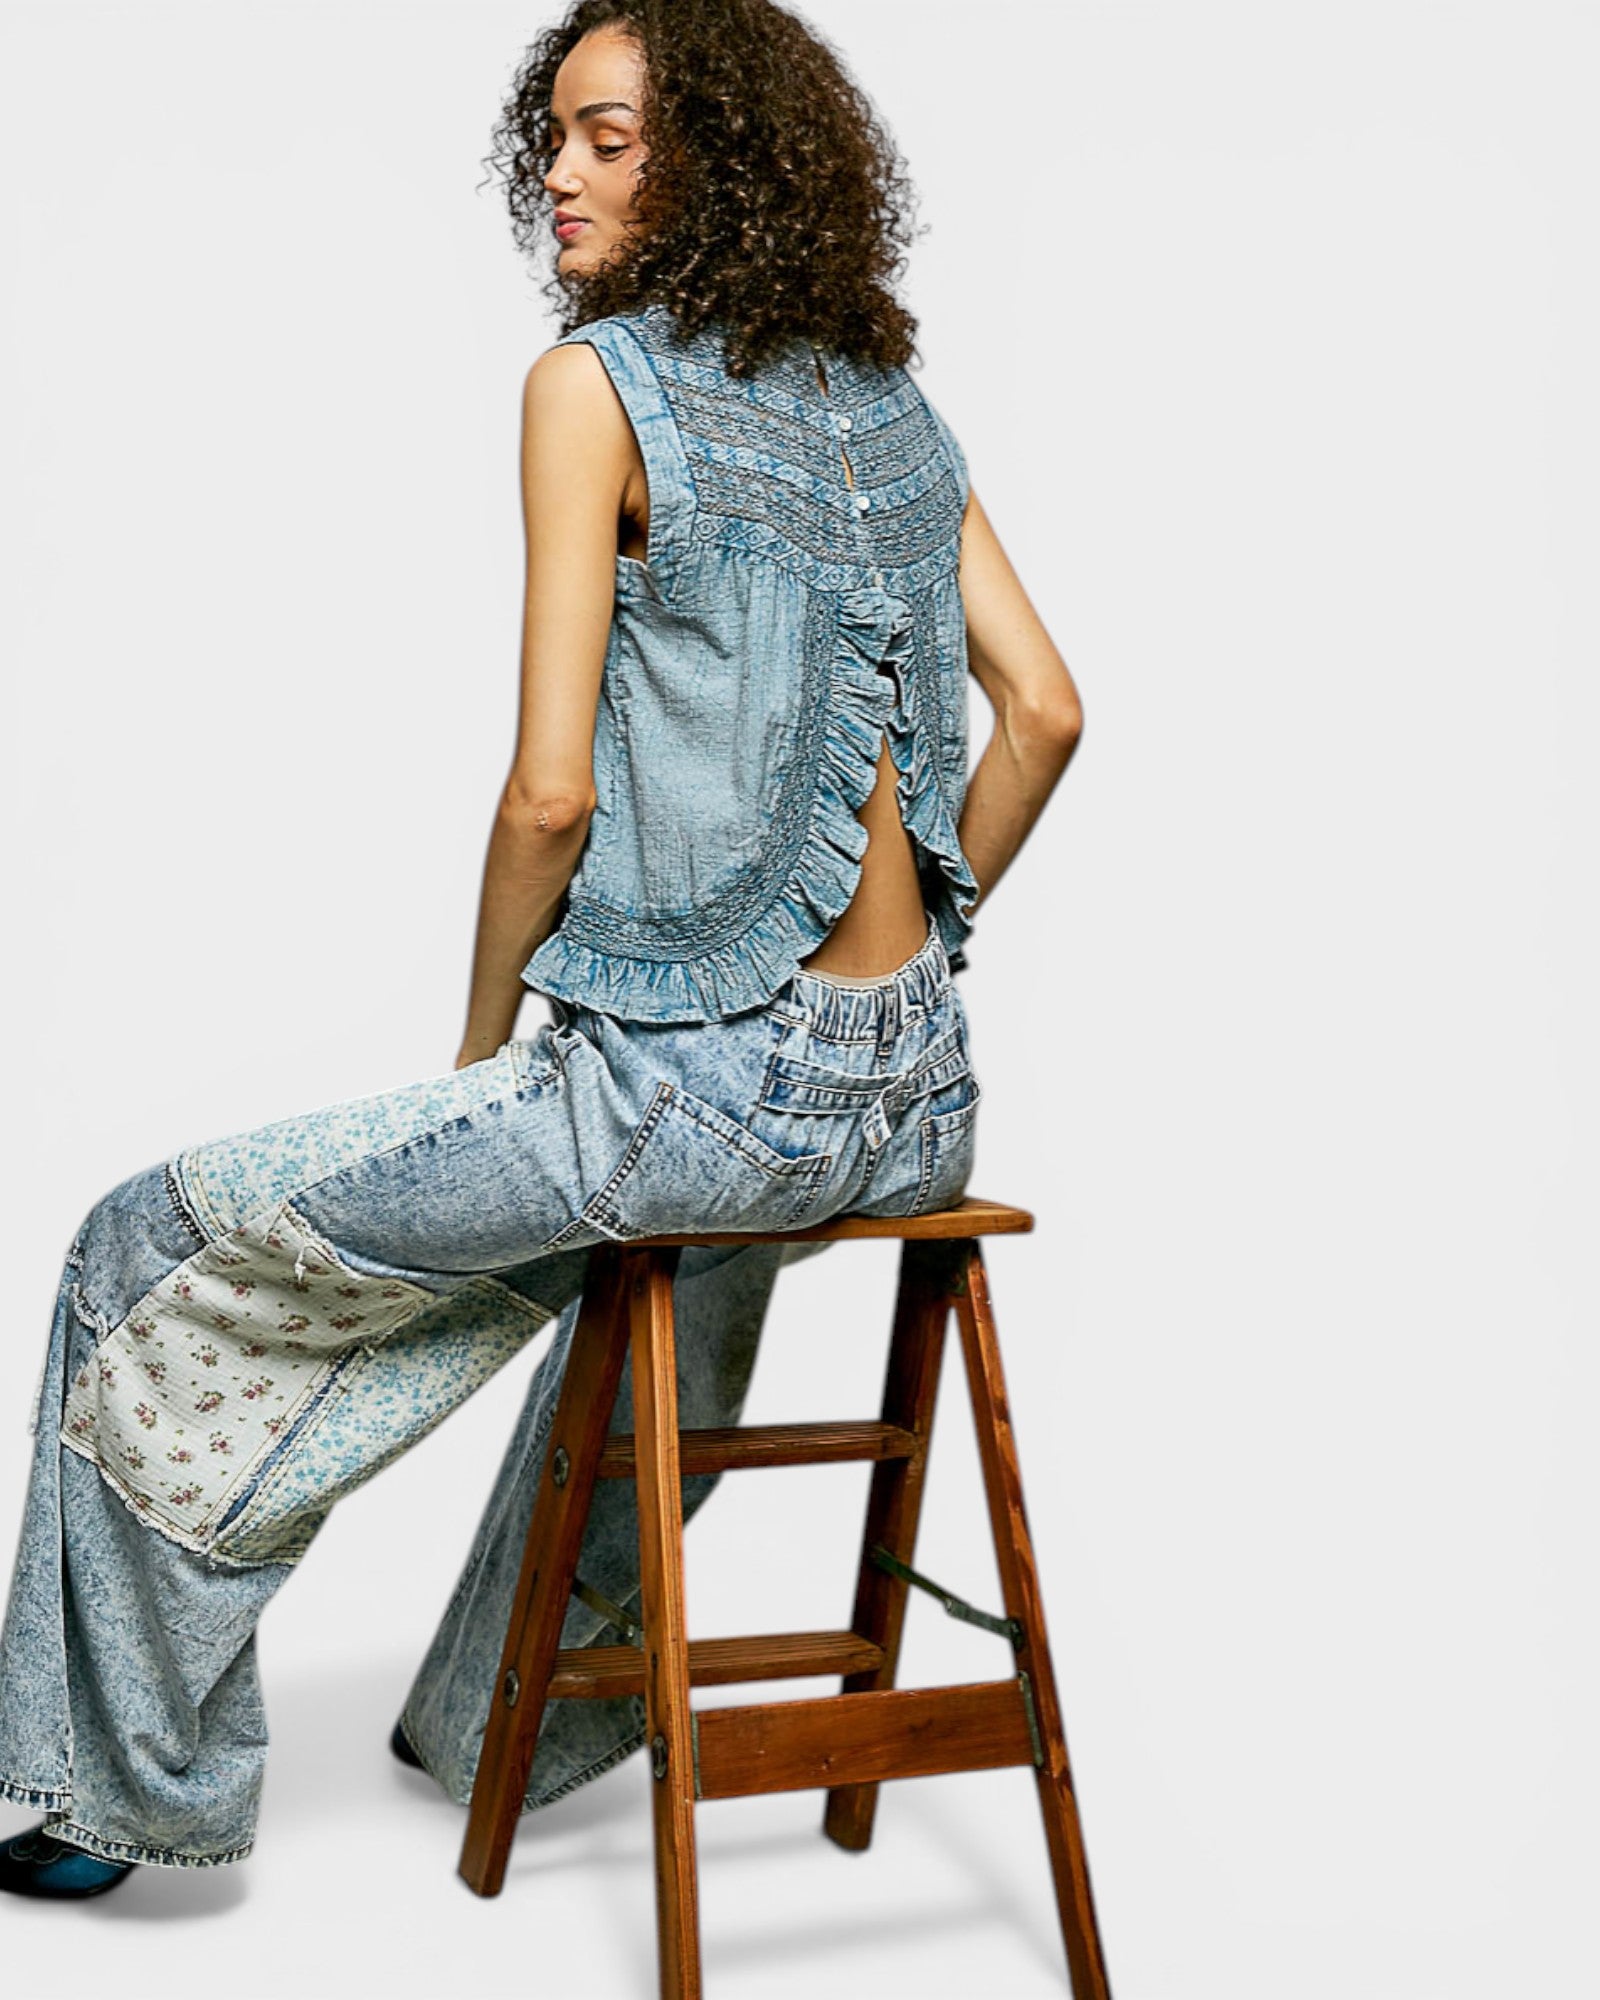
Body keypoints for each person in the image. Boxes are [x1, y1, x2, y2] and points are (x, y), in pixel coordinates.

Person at [0, 0, 1082, 1899]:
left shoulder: (595, 389)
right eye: (555, 142)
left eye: (609, 140)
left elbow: (549, 800)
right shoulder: (895, 408)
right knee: (636, 1268)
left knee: (135, 1247)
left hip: (695, 1106)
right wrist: (912, 971)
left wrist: (491, 1041)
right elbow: (1051, 713)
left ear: (724, 165)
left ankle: (117, 1799)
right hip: (916, 1113)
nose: (562, 178)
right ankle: (525, 1714)